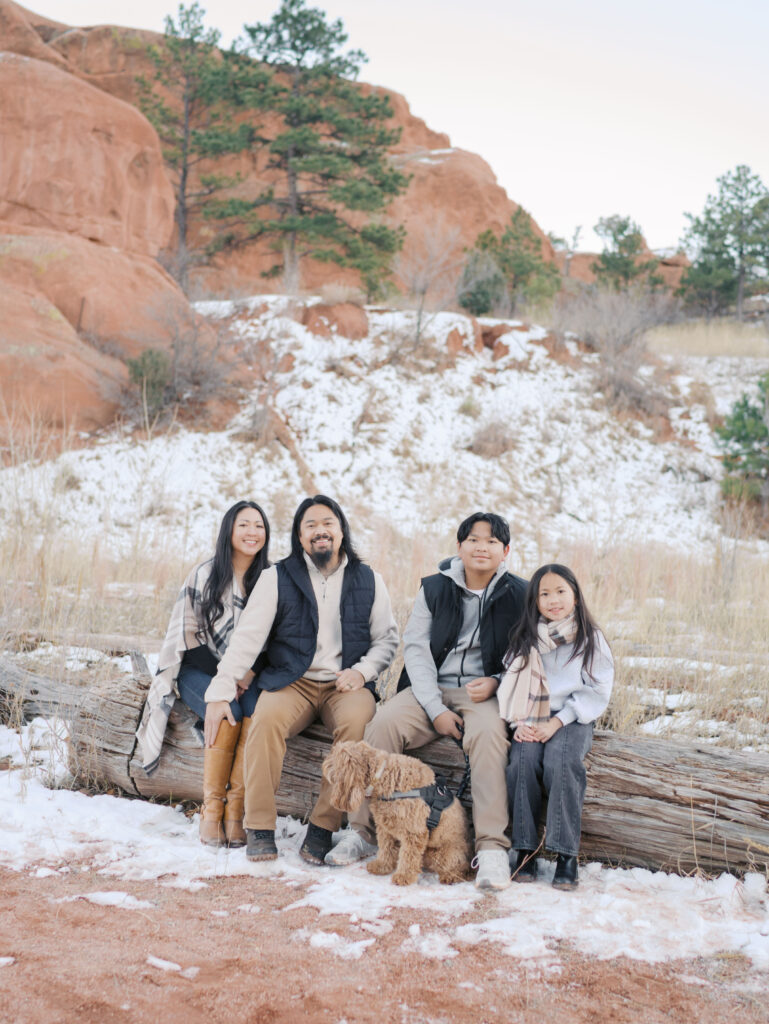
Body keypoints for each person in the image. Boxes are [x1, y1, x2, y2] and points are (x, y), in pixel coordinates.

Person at [326, 512, 526, 891]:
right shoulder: (434, 588)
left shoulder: (520, 594)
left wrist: (498, 682)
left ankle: (491, 848)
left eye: (491, 541)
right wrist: (435, 710)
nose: (481, 547)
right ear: (459, 546)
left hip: (483, 692)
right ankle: (362, 831)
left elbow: (527, 655)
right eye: (473, 539)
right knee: (382, 725)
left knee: (488, 737)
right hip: (428, 688)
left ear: (506, 551)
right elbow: (416, 649)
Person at [203, 495, 399, 865]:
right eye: (310, 525)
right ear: (299, 536)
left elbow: (387, 639)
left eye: (328, 523)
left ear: (341, 531)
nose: (320, 531)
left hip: (346, 684)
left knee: (358, 726)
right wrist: (220, 690)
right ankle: (260, 827)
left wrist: (362, 671)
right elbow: (247, 639)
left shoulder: (369, 579)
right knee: (264, 720)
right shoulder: (276, 577)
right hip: (292, 680)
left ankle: (323, 827)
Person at [136, 501, 270, 848]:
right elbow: (188, 638)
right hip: (198, 668)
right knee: (228, 711)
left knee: (255, 713)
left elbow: (274, 640)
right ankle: (212, 811)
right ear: (229, 530)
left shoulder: (271, 579)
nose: (252, 532)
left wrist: (246, 674)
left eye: (259, 525)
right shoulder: (204, 574)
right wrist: (226, 680)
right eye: (244, 525)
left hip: (250, 674)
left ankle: (235, 812)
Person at [498, 563, 614, 890]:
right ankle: (525, 848)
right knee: (521, 762)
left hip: (573, 716)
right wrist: (518, 722)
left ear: (575, 596)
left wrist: (558, 721)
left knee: (561, 762)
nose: (554, 600)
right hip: (531, 714)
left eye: (561, 591)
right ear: (535, 601)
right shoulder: (526, 637)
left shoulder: (590, 637)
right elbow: (511, 681)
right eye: (544, 594)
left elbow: (598, 689)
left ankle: (565, 854)